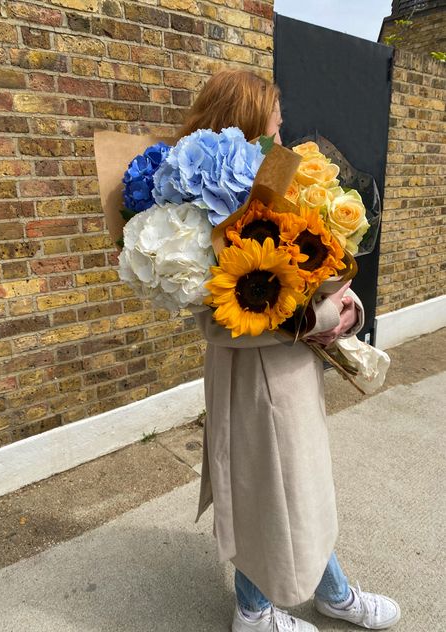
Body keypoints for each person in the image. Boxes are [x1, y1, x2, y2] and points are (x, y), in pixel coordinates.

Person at [179, 70, 401, 632]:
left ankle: (327, 594)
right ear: (248, 125)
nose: (283, 128)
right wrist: (329, 313)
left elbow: (309, 275)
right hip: (256, 384)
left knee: (291, 495)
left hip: (286, 375)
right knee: (273, 498)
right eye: (274, 119)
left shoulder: (275, 183)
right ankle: (260, 611)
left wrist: (344, 307)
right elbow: (220, 319)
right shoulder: (207, 211)